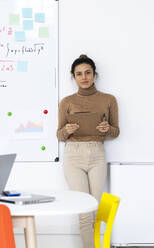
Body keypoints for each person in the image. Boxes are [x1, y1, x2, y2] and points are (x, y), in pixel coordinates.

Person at [57, 54, 119, 248]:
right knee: (84, 211)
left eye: (87, 73)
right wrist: (66, 130)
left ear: (94, 74)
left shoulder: (108, 100)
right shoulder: (66, 102)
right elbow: (59, 134)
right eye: (79, 74)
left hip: (97, 154)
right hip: (73, 155)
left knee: (96, 207)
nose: (83, 77)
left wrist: (106, 129)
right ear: (73, 77)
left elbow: (116, 131)